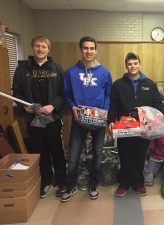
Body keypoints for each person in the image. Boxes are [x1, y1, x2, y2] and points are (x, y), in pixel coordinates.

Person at [12, 36, 66, 198]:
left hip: (53, 118)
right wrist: (23, 106)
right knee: (40, 151)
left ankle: (62, 182)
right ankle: (46, 181)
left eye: (44, 46)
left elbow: (64, 93)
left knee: (57, 151)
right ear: (33, 47)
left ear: (48, 49)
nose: (40, 49)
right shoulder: (22, 70)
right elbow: (17, 92)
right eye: (37, 46)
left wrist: (53, 106)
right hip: (33, 120)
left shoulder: (57, 69)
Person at [62, 36, 112, 202]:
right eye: (85, 48)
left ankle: (93, 185)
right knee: (74, 155)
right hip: (79, 120)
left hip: (98, 120)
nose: (89, 51)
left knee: (97, 154)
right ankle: (71, 186)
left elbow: (108, 94)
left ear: (95, 50)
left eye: (91, 48)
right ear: (81, 50)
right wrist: (72, 106)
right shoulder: (71, 72)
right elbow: (67, 93)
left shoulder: (104, 72)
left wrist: (105, 110)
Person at [108, 52, 162, 197]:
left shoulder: (150, 84)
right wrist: (111, 120)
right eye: (130, 64)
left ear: (139, 64)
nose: (133, 66)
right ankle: (124, 183)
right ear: (126, 66)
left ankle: (138, 183)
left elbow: (157, 105)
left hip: (144, 129)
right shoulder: (118, 84)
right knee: (125, 155)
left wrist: (153, 121)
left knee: (139, 156)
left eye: (135, 63)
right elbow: (113, 105)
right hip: (124, 128)